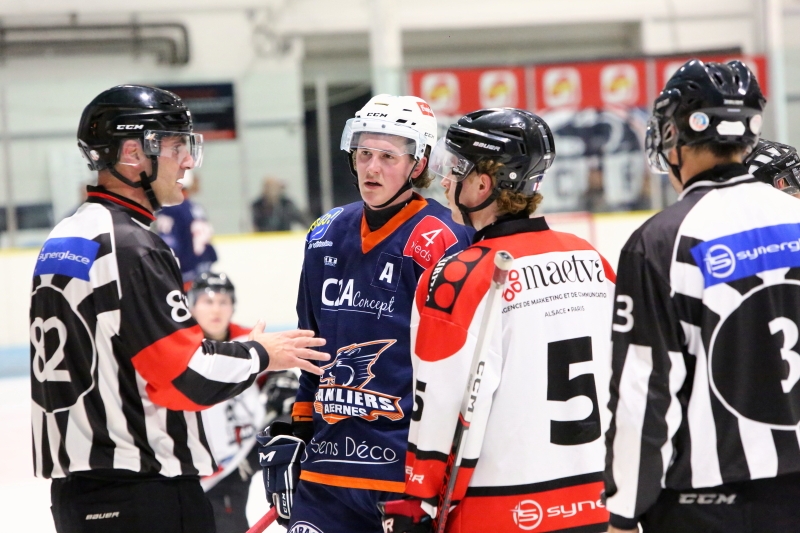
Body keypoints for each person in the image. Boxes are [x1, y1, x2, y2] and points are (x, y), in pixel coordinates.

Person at [31, 84, 328, 533]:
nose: (188, 161)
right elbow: (183, 377)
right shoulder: (132, 246)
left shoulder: (65, 237)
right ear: (133, 152)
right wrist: (261, 353)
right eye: (175, 147)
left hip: (77, 496)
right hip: (142, 496)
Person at [377, 108, 617, 533]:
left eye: (456, 168)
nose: (446, 181)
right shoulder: (592, 259)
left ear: (483, 184)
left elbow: (440, 406)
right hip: (597, 502)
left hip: (502, 511)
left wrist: (418, 501)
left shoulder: (460, 274)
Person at [257, 94, 474, 533]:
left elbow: (456, 368)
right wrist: (300, 429)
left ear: (418, 164)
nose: (371, 168)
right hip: (325, 469)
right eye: (365, 153)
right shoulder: (325, 232)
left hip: (401, 474)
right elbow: (309, 346)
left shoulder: (442, 239)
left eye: (388, 157)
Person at [604, 59, 800, 533]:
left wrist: (623, 511)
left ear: (674, 135)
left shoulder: (660, 242)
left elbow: (644, 390)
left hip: (708, 504)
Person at [189, 272, 299, 533]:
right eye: (207, 301)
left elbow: (277, 376)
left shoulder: (247, 342)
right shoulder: (181, 345)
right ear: (191, 305)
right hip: (188, 462)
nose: (216, 309)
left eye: (223, 301)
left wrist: (282, 387)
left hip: (236, 460)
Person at [156, 170, 218, 288]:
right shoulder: (196, 207)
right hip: (203, 268)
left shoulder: (170, 209)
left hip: (184, 275)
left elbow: (169, 245)